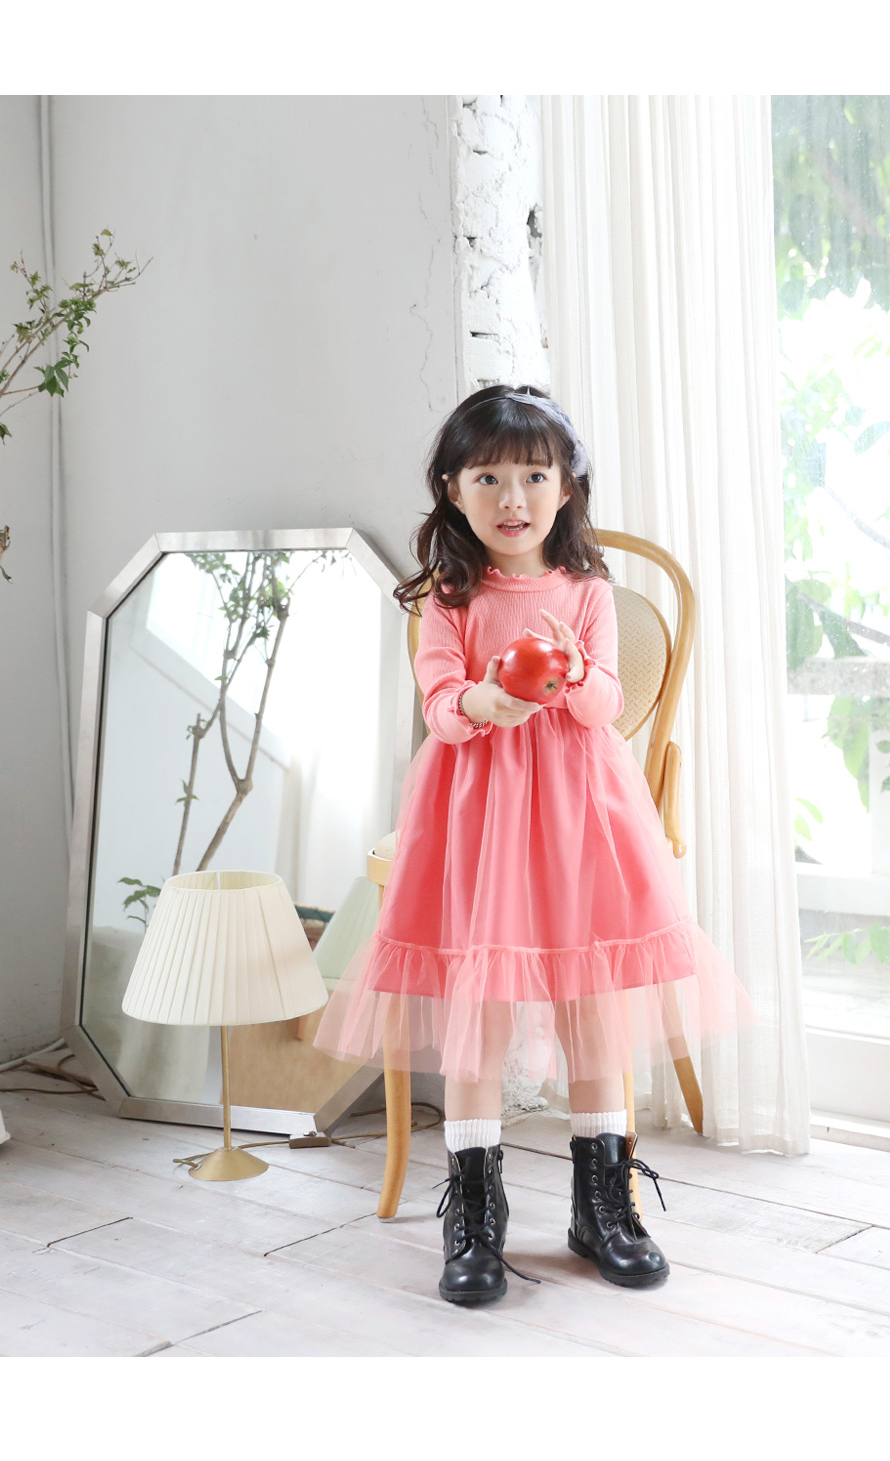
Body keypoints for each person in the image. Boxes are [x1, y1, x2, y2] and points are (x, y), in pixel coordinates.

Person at [314, 385, 760, 1307]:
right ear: (453, 489)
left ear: (565, 489)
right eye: (488, 478)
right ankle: (476, 1215)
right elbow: (441, 707)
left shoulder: (587, 593)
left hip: (580, 821)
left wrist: (574, 673)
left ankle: (604, 1206)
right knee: (477, 1013)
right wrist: (484, 700)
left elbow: (606, 709)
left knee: (589, 1001)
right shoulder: (449, 599)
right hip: (478, 826)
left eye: (532, 476)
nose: (512, 497)